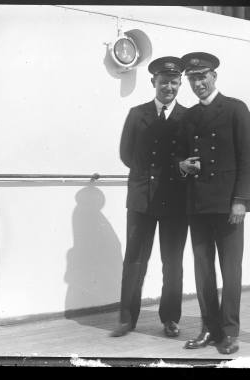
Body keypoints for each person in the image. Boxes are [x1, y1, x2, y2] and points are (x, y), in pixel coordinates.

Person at [178, 52, 250, 355]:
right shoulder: (189, 117)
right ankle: (209, 329)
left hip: (228, 206)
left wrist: (241, 201)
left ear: (214, 76)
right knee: (202, 270)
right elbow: (181, 156)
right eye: (193, 79)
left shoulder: (236, 110)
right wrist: (182, 164)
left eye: (202, 77)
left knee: (231, 271)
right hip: (198, 204)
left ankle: (229, 332)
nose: (198, 83)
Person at [111, 56, 188, 338]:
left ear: (180, 83)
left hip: (176, 202)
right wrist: (147, 177)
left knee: (173, 262)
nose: (169, 86)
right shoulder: (137, 113)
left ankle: (170, 319)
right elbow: (126, 154)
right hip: (142, 199)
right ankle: (127, 319)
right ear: (153, 82)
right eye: (163, 81)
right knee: (135, 260)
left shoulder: (187, 117)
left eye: (174, 82)